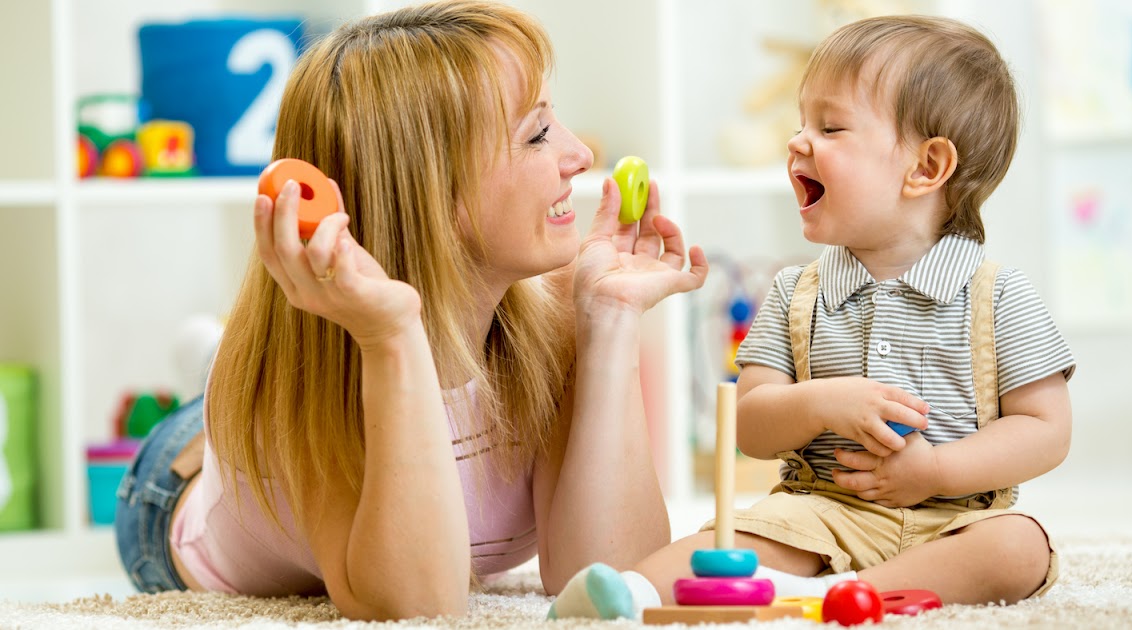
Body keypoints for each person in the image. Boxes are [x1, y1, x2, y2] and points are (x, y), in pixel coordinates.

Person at [114, 0, 708, 621]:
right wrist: (391, 335)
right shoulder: (310, 375)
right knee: (225, 395)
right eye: (537, 134)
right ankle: (211, 368)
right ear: (432, 193)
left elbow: (606, 572)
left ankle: (209, 352)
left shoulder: (558, 308)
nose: (580, 154)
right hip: (172, 493)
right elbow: (416, 606)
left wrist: (609, 320)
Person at [549, 15, 1075, 620]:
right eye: (800, 124)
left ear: (926, 168)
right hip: (816, 516)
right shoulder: (796, 293)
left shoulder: (999, 296)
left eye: (829, 127)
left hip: (951, 519)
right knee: (721, 544)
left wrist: (936, 471)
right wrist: (823, 403)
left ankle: (836, 595)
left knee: (1021, 547)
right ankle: (632, 593)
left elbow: (1046, 429)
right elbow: (750, 427)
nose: (797, 142)